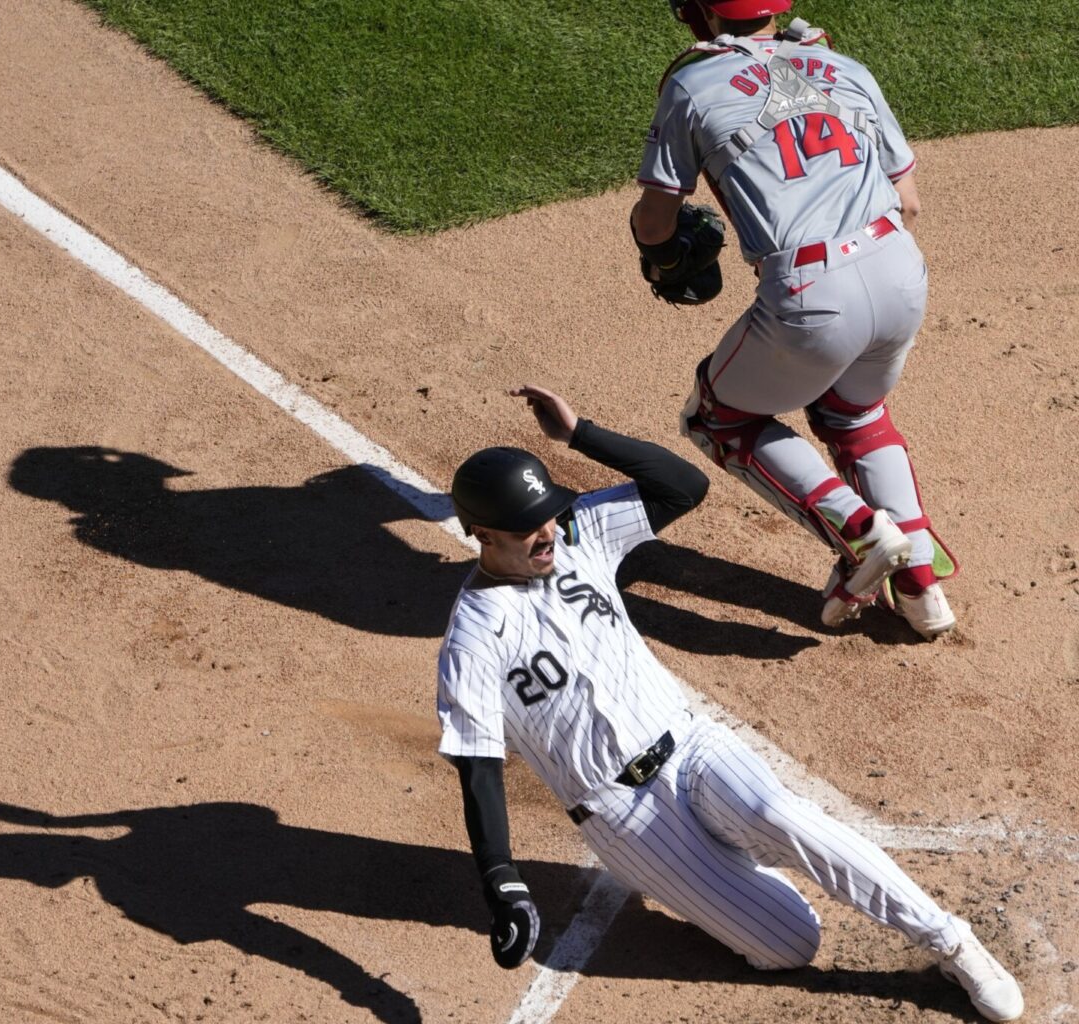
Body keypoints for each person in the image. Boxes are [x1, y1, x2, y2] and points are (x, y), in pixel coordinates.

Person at [435, 385, 1025, 1022]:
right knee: (791, 943)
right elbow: (478, 769)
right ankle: (729, 874)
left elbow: (681, 486)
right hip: (622, 817)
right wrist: (504, 883)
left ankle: (951, 942)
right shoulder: (472, 638)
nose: (547, 531)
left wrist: (581, 436)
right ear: (483, 534)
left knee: (786, 816)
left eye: (548, 512)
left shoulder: (578, 537)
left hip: (690, 747)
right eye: (527, 527)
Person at [632, 0, 958, 639]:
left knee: (714, 415)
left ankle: (860, 535)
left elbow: (657, 214)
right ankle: (920, 585)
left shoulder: (692, 83)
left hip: (812, 293)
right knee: (855, 412)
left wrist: (660, 254)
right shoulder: (845, 66)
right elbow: (909, 201)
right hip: (900, 267)